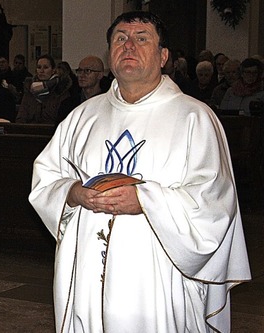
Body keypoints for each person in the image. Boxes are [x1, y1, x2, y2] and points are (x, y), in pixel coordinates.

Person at [28, 11, 250, 333]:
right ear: (110, 53)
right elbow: (46, 177)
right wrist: (73, 193)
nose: (128, 46)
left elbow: (214, 203)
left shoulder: (195, 118)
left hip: (158, 278)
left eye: (141, 39)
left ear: (163, 57)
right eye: (120, 39)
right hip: (88, 273)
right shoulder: (81, 117)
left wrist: (145, 200)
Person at [16, 54, 70, 124]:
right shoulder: (29, 91)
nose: (41, 71)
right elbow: (21, 118)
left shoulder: (60, 90)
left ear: (53, 70)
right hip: (30, 132)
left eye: (45, 67)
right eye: (39, 67)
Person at [57, 55, 111, 121]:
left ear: (100, 75)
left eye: (87, 71)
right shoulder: (68, 104)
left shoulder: (108, 104)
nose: (81, 75)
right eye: (79, 71)